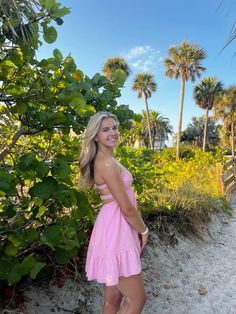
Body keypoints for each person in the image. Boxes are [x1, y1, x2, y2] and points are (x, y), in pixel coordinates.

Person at [78, 111, 149, 314]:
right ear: (95, 135)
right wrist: (144, 231)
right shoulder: (107, 163)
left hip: (113, 226)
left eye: (115, 128)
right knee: (137, 300)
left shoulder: (106, 159)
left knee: (113, 298)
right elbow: (126, 208)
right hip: (117, 230)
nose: (113, 133)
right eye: (105, 129)